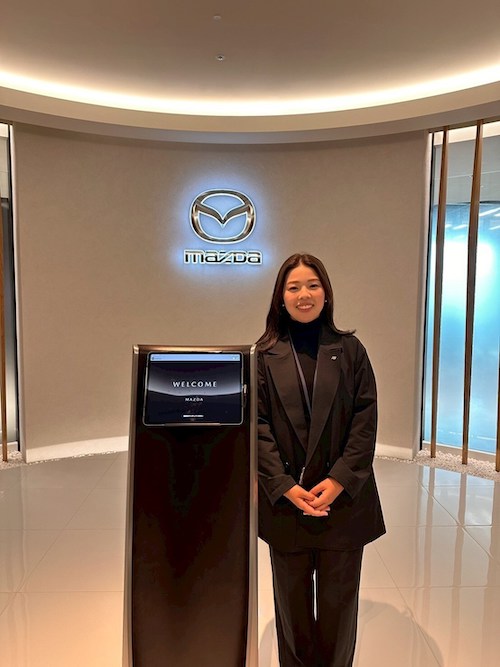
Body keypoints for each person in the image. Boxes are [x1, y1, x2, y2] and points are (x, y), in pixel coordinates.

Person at [256, 253, 385, 667]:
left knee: (339, 614)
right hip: (286, 503)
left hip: (343, 503)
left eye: (312, 285)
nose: (304, 294)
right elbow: (257, 427)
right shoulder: (263, 355)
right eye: (293, 287)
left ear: (326, 293)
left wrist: (339, 479)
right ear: (280, 298)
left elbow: (365, 421)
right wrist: (284, 486)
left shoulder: (350, 350)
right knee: (291, 615)